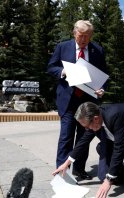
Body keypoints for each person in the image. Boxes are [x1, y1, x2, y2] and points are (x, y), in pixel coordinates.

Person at [52, 102, 124, 198]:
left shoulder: (115, 115)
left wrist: (108, 180)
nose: (87, 129)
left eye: (87, 126)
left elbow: (119, 148)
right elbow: (82, 142)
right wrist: (66, 164)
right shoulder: (95, 119)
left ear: (96, 119)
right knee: (101, 147)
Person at [47, 20, 108, 181]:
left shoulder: (98, 50)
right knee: (66, 137)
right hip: (67, 101)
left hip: (87, 103)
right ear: (74, 33)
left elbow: (104, 74)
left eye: (87, 36)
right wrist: (63, 71)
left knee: (83, 138)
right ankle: (62, 173)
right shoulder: (62, 47)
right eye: (81, 35)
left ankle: (79, 170)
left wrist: (102, 88)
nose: (84, 39)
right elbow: (51, 67)